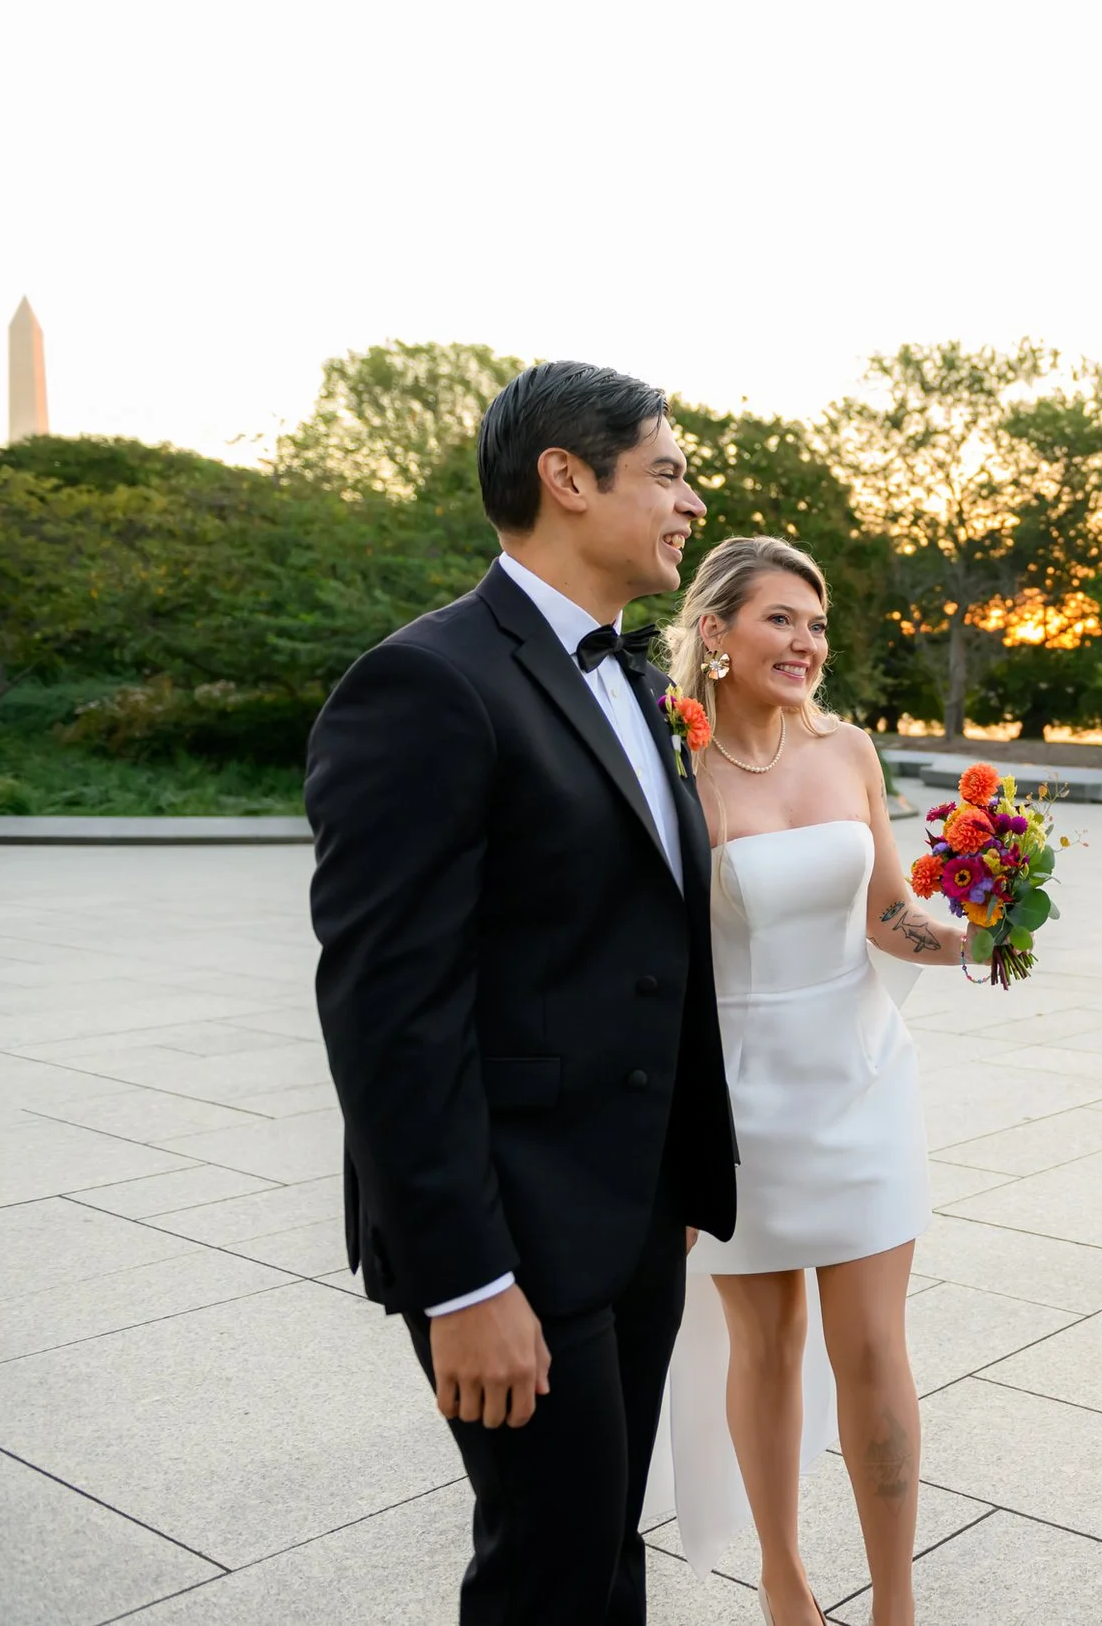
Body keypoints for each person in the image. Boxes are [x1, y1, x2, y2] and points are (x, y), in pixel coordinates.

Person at [307, 361, 739, 1624]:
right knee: (546, 1569)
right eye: (667, 472)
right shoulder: (426, 684)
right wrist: (463, 1281)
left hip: (637, 1206)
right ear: (566, 478)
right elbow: (389, 1012)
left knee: (607, 1550)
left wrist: (676, 1177)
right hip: (509, 1227)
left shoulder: (640, 681)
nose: (692, 502)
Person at [652, 535, 967, 1626]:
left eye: (817, 623)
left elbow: (890, 913)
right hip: (737, 1100)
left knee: (875, 1345)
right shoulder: (671, 768)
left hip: (862, 1075)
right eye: (780, 618)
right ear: (716, 632)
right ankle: (784, 1583)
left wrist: (976, 935)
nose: (806, 642)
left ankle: (896, 1603)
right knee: (767, 1344)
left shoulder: (849, 751)